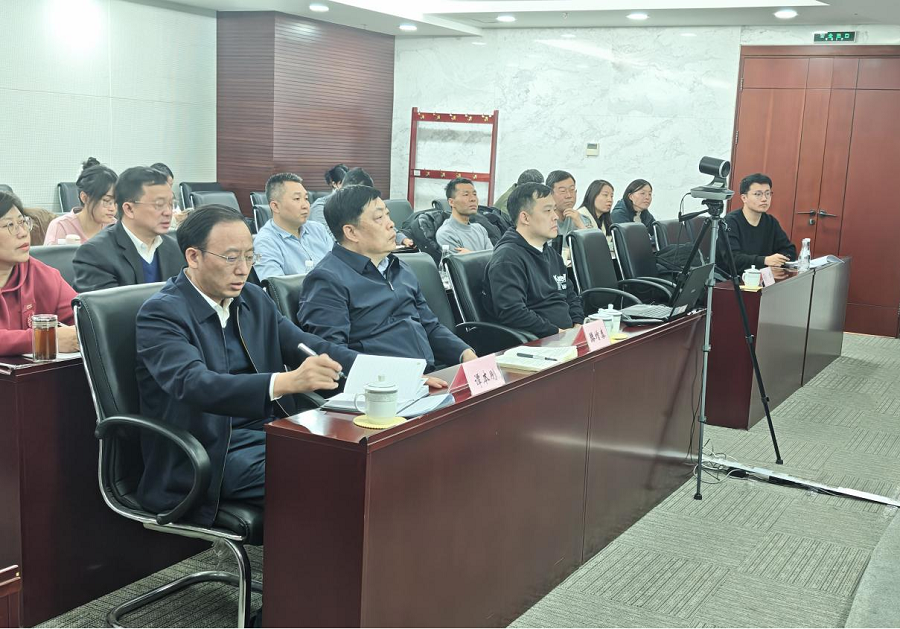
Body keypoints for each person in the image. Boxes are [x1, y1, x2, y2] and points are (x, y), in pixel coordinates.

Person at [135, 205, 357, 525]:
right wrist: (286, 382)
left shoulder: (252, 299)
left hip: (269, 431)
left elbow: (309, 346)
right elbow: (194, 383)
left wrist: (391, 374)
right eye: (230, 258)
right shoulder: (161, 313)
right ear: (193, 256)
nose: (243, 269)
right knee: (326, 479)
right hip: (210, 450)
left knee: (358, 460)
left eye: (250, 257)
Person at [298, 185, 476, 372]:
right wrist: (402, 377)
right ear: (351, 232)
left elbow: (429, 326)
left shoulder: (399, 267)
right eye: (379, 218)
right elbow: (333, 356)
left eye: (388, 215)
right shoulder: (326, 280)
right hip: (382, 385)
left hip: (427, 375)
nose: (391, 224)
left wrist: (464, 353)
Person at [482, 182, 584, 338]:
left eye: (554, 209)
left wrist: (577, 324)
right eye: (547, 211)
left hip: (565, 336)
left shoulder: (551, 254)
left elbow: (570, 295)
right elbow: (512, 312)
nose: (555, 217)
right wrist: (557, 333)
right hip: (536, 341)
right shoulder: (507, 258)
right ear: (525, 217)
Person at [73, 166, 185, 292]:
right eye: (159, 205)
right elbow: (106, 304)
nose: (168, 212)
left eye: (171, 204)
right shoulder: (95, 254)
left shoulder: (176, 249)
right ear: (129, 209)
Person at [0, 191, 79, 355]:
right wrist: (44, 339)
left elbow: (85, 319)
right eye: (10, 225)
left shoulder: (41, 274)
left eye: (22, 222)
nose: (23, 232)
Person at [253, 173, 334, 281]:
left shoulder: (318, 229)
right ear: (275, 206)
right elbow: (276, 287)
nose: (305, 205)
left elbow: (339, 265)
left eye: (306, 198)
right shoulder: (265, 242)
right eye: (297, 199)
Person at [720, 173, 796, 275]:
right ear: (744, 198)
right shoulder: (730, 222)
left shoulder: (770, 222)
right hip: (732, 279)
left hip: (764, 276)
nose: (764, 198)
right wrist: (765, 261)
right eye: (758, 194)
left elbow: (789, 250)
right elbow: (733, 259)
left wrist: (778, 260)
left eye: (767, 193)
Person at [44, 158, 118, 245]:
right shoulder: (61, 227)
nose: (113, 208)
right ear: (85, 198)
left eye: (116, 201)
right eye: (106, 201)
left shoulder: (115, 227)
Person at [436, 177, 493, 253]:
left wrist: (470, 255)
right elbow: (458, 261)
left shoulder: (480, 229)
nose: (473, 199)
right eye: (466, 195)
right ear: (451, 202)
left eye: (474, 194)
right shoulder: (446, 233)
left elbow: (494, 258)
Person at [547, 170, 589, 239]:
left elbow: (591, 244)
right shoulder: (543, 221)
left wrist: (580, 225)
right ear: (550, 194)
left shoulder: (582, 219)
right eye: (563, 191)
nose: (569, 195)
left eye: (572, 190)